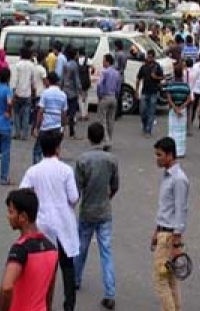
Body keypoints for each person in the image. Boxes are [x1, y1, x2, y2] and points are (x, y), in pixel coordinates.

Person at [20, 130, 79, 311]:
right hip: (63, 223)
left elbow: (22, 193)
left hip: (43, 224)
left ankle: (45, 305)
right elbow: (74, 198)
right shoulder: (66, 170)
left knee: (46, 270)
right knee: (67, 269)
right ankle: (69, 306)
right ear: (58, 149)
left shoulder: (33, 171)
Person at [74, 123, 119, 310]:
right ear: (103, 137)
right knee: (106, 252)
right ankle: (110, 292)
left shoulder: (82, 160)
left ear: (89, 137)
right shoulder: (111, 160)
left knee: (81, 247)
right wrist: (108, 197)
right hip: (104, 211)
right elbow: (115, 185)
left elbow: (76, 189)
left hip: (87, 210)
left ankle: (75, 279)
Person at [0, 189, 58, 311]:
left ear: (23, 217)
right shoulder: (52, 248)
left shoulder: (20, 249)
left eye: (11, 212)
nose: (8, 216)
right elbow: (49, 291)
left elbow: (6, 287)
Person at [151, 137, 189, 311]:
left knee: (160, 280)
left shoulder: (178, 179)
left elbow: (181, 211)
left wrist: (176, 242)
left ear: (170, 155)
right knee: (170, 280)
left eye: (159, 155)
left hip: (169, 237)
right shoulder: (168, 176)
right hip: (164, 233)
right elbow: (166, 210)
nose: (157, 158)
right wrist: (156, 231)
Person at [32, 72, 67, 165]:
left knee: (38, 150)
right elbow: (64, 113)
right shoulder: (63, 94)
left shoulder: (45, 93)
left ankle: (37, 170)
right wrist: (63, 127)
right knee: (55, 150)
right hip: (57, 126)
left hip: (46, 126)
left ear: (48, 81)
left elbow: (41, 111)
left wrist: (36, 127)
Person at [136, 49, 164, 138]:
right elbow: (138, 78)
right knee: (142, 111)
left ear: (153, 57)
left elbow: (162, 77)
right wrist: (136, 91)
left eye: (151, 57)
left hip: (154, 92)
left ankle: (148, 130)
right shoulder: (143, 67)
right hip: (144, 92)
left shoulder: (157, 66)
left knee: (151, 112)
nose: (149, 58)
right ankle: (145, 125)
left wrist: (156, 77)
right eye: (148, 57)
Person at [165, 67, 192, 157]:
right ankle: (180, 152)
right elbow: (189, 99)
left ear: (174, 74)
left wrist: (175, 108)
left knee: (172, 131)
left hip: (173, 111)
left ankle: (172, 152)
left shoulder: (170, 86)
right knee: (181, 132)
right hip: (182, 111)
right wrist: (181, 107)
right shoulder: (186, 86)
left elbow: (169, 99)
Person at [11, 46, 35, 141]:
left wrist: (13, 91)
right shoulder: (32, 65)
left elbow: (14, 80)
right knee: (26, 114)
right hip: (27, 93)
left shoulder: (17, 65)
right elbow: (33, 80)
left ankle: (17, 132)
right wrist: (33, 90)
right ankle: (25, 134)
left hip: (18, 92)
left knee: (16, 113)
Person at [97, 54, 120, 148]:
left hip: (105, 97)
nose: (102, 62)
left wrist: (100, 95)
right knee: (111, 120)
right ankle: (109, 139)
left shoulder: (104, 72)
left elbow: (99, 84)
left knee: (102, 120)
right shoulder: (117, 73)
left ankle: (106, 141)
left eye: (103, 60)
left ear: (107, 62)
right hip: (113, 97)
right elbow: (118, 87)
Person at [62, 46, 82, 139]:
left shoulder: (66, 64)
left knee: (64, 111)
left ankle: (61, 130)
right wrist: (80, 90)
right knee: (72, 112)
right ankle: (71, 133)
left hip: (65, 89)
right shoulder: (74, 65)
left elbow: (62, 78)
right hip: (72, 91)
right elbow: (77, 80)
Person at [113, 40, 127, 119]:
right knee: (120, 95)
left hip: (117, 76)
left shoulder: (118, 54)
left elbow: (116, 66)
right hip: (121, 76)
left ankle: (115, 114)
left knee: (115, 96)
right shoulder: (124, 54)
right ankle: (119, 112)